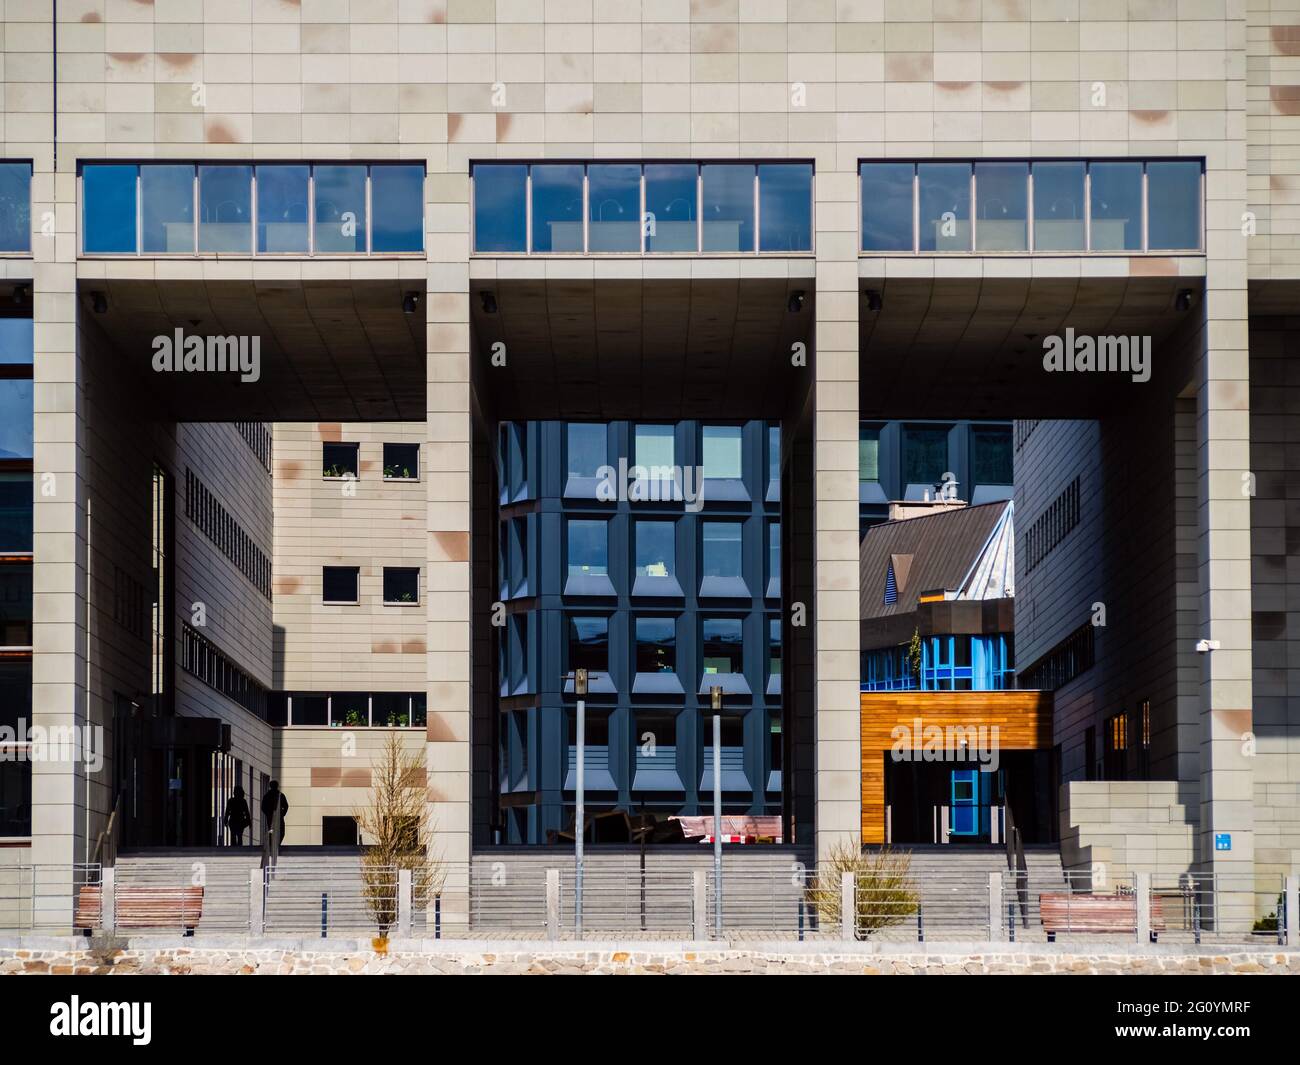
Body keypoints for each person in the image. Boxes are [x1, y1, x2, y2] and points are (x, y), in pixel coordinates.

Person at [262, 779, 289, 847]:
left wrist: (282, 813)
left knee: (278, 831)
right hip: (274, 816)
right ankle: (274, 844)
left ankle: (275, 844)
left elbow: (285, 805)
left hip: (275, 816)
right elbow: (286, 806)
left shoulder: (276, 795)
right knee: (278, 831)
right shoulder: (275, 795)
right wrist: (282, 813)